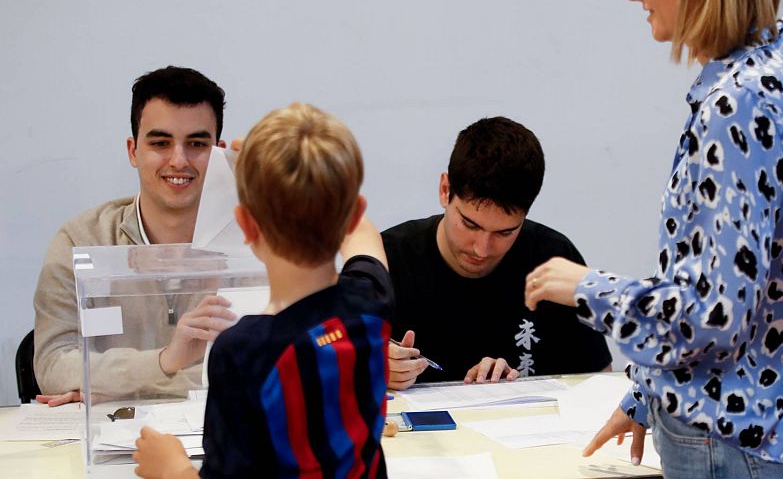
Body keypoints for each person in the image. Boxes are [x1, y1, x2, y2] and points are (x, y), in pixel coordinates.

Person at [525, 0, 783, 477]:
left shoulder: (740, 104)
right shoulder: (771, 82)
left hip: (733, 444)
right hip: (748, 436)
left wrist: (587, 288)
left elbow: (716, 313)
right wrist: (651, 391)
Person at [133, 102, 391, 479]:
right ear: (353, 214)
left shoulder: (243, 351)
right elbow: (365, 237)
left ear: (246, 225)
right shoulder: (370, 299)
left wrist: (172, 467)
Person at [33, 66, 237, 404]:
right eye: (160, 143)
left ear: (220, 153)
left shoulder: (257, 244)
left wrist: (112, 385)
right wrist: (165, 361)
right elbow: (53, 366)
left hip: (215, 432)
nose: (179, 160)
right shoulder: (79, 240)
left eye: (197, 144)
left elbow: (270, 366)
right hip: (108, 432)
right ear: (133, 151)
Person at [383, 116, 612, 389]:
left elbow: (599, 385)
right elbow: (339, 374)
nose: (482, 249)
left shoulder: (553, 261)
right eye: (470, 224)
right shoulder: (387, 259)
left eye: (505, 232)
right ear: (445, 190)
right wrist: (369, 369)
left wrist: (518, 387)